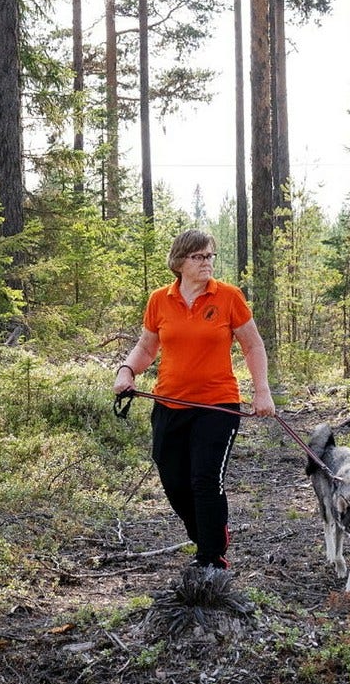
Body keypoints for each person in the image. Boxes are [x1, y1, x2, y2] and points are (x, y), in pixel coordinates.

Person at [114, 230, 274, 571]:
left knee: (205, 478)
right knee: (173, 480)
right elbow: (146, 348)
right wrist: (127, 370)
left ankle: (211, 557)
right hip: (169, 404)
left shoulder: (229, 297)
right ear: (179, 262)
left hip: (217, 406)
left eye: (210, 256)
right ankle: (207, 535)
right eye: (199, 257)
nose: (207, 262)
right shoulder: (160, 299)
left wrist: (262, 391)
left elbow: (253, 345)